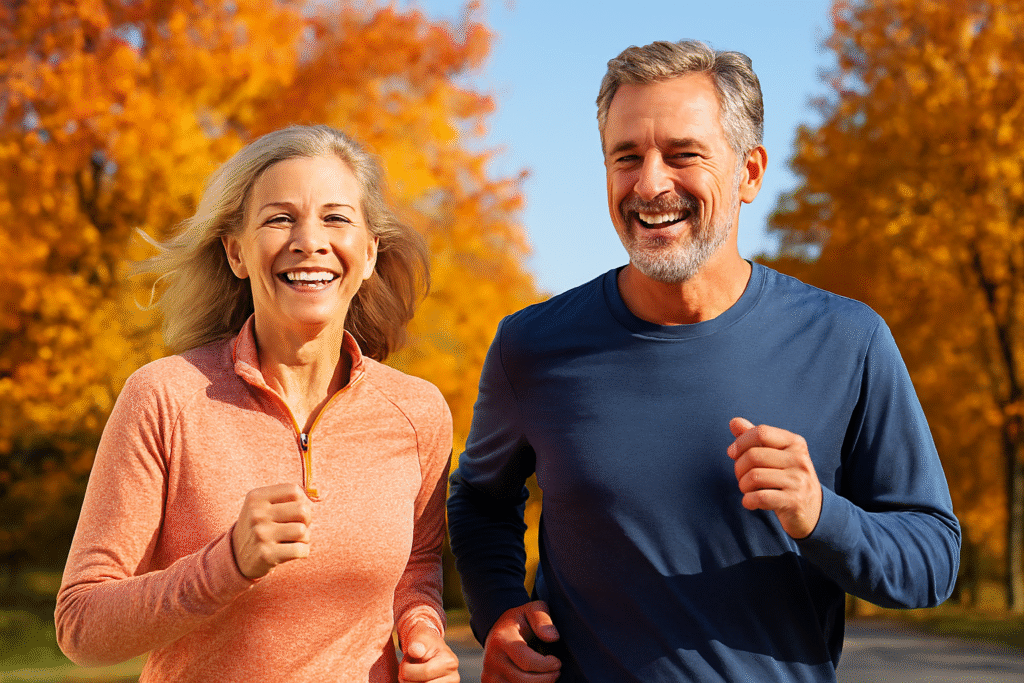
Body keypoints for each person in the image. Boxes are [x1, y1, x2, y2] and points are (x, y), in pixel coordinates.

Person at [447, 40, 961, 683]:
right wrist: (501, 609)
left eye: (684, 155)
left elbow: (933, 562)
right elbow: (480, 499)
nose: (651, 183)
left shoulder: (847, 341)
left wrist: (820, 514)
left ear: (749, 172)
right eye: (626, 157)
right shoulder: (533, 345)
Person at [56, 125, 460, 683]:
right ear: (237, 251)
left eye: (336, 218)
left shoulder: (418, 413)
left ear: (369, 254)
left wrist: (422, 632)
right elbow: (80, 627)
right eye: (279, 218)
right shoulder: (164, 398)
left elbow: (416, 568)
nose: (309, 240)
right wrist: (228, 563)